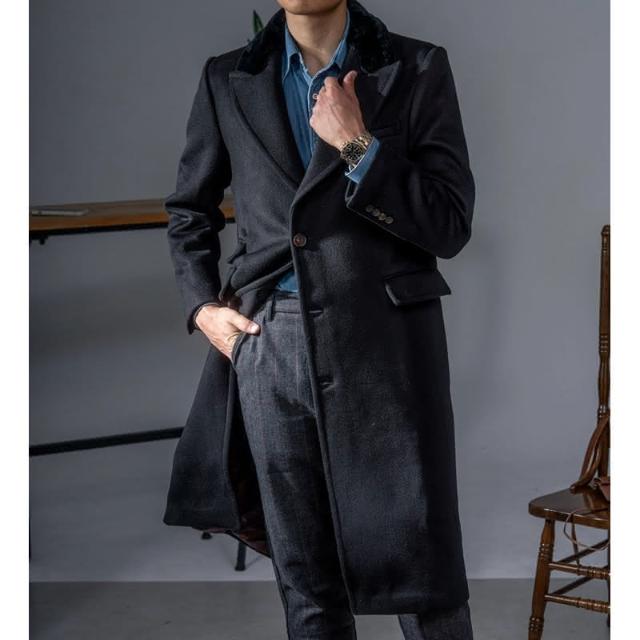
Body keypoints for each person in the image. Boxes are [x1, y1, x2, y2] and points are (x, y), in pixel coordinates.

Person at [164, 1, 476, 638]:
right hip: (270, 343)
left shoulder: (415, 67)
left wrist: (359, 147)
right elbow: (189, 211)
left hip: (387, 343)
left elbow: (448, 224)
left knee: (422, 571)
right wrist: (203, 309)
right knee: (306, 581)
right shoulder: (228, 78)